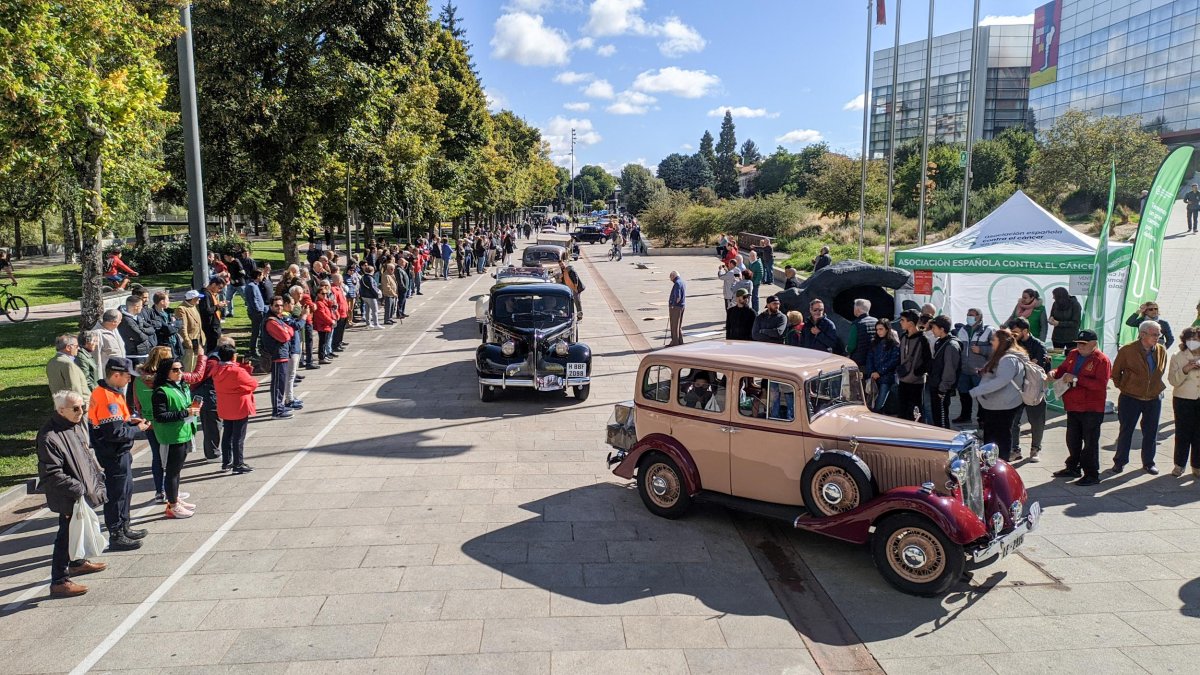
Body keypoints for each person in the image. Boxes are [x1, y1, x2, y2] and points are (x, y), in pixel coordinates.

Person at [38, 390, 108, 598]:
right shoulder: (49, 437)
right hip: (68, 496)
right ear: (61, 410)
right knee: (65, 535)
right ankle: (59, 581)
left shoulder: (74, 426)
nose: (81, 412)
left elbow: (85, 456)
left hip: (80, 493)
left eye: (82, 407)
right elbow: (51, 474)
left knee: (76, 532)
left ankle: (77, 563)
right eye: (75, 408)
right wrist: (79, 489)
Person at [87, 357, 148, 550]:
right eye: (127, 376)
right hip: (113, 453)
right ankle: (116, 533)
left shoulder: (113, 392)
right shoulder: (107, 397)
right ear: (116, 375)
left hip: (119, 452)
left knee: (126, 489)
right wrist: (139, 429)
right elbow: (114, 433)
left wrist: (132, 421)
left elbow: (119, 422)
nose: (130, 380)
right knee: (117, 493)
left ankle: (125, 525)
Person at [1049, 330, 1111, 485]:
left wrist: (1077, 379)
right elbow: (1062, 369)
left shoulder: (1101, 360)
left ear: (1094, 344)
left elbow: (1100, 385)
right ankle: (1073, 466)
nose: (1080, 346)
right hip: (1073, 404)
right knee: (1073, 439)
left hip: (1091, 407)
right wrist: (1054, 372)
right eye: (1078, 343)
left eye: (1083, 344)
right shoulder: (1073, 354)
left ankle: (1092, 474)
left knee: (1090, 442)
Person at [1111, 320, 1168, 474]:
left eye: (1158, 334)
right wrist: (1125, 387)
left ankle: (1149, 462)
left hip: (1153, 398)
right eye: (1154, 334)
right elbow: (1115, 374)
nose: (1158, 337)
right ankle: (1120, 461)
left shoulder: (1161, 350)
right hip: (1130, 397)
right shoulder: (1128, 350)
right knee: (1126, 430)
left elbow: (1160, 371)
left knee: (1151, 432)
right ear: (1143, 334)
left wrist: (1155, 388)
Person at [150, 358, 201, 519]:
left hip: (184, 431)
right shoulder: (160, 391)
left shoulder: (182, 386)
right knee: (172, 472)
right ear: (166, 373)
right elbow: (160, 416)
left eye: (180, 369)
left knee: (177, 470)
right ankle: (172, 505)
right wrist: (186, 413)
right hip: (172, 436)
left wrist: (192, 409)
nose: (179, 372)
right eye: (175, 370)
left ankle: (175, 498)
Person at [969, 328, 1027, 461]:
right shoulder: (1003, 357)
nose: (991, 342)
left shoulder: (1008, 359)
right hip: (997, 404)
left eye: (993, 339)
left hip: (1004, 405)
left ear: (1001, 342)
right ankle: (992, 462)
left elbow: (1001, 380)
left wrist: (977, 391)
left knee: (1000, 436)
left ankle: (1000, 463)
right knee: (993, 434)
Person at [1006, 317, 1051, 462]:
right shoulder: (1012, 345)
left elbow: (1039, 368)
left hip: (1034, 389)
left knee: (1037, 421)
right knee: (1013, 421)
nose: (1013, 335)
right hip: (1016, 389)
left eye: (1016, 332)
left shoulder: (1038, 346)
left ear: (1025, 331)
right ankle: (1015, 449)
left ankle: (1035, 449)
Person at [213, 343, 256, 474]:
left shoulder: (216, 370)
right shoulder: (237, 371)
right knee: (239, 437)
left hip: (225, 405)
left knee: (227, 435)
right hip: (239, 405)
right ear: (232, 357)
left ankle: (226, 462)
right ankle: (238, 463)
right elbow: (253, 383)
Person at [1169, 326, 1200, 477]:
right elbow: (1173, 381)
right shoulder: (1178, 356)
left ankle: (1197, 466)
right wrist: (1185, 370)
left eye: (1196, 339)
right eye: (1190, 340)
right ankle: (1179, 465)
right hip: (1183, 399)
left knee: (1198, 434)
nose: (1193, 342)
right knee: (1183, 433)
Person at [953, 308, 993, 424]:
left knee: (981, 396)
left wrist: (982, 349)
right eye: (968, 315)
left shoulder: (988, 330)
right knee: (964, 394)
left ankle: (982, 419)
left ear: (979, 317)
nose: (969, 317)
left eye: (972, 315)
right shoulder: (962, 330)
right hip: (964, 369)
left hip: (979, 371)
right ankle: (965, 416)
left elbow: (996, 348)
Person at [262, 296, 296, 419]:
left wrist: (287, 330)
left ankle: (280, 406)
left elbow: (291, 332)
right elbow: (285, 336)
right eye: (276, 305)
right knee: (277, 384)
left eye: (281, 305)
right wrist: (286, 331)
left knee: (281, 383)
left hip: (282, 354)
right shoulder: (271, 321)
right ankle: (277, 410)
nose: (280, 307)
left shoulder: (278, 319)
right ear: (271, 306)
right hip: (277, 356)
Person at [925, 316, 962, 429]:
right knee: (936, 416)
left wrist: (943, 388)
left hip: (941, 388)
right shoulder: (939, 342)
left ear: (942, 329)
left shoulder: (951, 345)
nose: (932, 330)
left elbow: (949, 370)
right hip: (935, 383)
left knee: (941, 419)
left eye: (934, 328)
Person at [897, 310, 931, 422]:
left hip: (916, 381)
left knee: (915, 409)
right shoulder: (903, 337)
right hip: (903, 378)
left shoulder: (923, 339)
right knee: (902, 408)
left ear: (911, 323)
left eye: (902, 320)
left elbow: (928, 360)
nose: (900, 322)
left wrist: (918, 372)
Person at [866, 320, 901, 414]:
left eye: (881, 329)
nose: (879, 332)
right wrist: (872, 372)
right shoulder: (874, 342)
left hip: (886, 377)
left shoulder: (894, 344)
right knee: (871, 402)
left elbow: (893, 361)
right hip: (874, 377)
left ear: (887, 329)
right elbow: (870, 358)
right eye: (877, 329)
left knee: (879, 404)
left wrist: (879, 372)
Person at [47, 335, 90, 406]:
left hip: (60, 405)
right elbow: (74, 389)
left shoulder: (51, 362)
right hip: (76, 408)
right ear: (68, 347)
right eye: (76, 346)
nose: (78, 348)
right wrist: (81, 408)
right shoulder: (68, 364)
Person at [117, 295, 155, 365]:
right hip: (134, 357)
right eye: (141, 305)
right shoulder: (126, 320)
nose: (142, 307)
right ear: (136, 307)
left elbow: (152, 329)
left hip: (144, 354)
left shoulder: (137, 317)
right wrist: (146, 334)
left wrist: (142, 330)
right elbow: (141, 337)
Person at [175, 290, 204, 371]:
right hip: (190, 342)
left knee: (196, 364)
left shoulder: (193, 306)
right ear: (193, 298)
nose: (199, 300)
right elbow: (182, 328)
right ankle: (187, 382)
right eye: (198, 298)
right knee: (189, 365)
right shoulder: (181, 309)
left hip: (197, 340)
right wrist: (187, 341)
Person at [847, 299, 878, 370]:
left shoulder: (856, 324)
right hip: (874, 358)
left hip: (859, 360)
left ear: (857, 310)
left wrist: (847, 350)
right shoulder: (876, 321)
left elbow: (851, 345)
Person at [244, 268, 268, 359]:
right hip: (256, 313)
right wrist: (258, 310)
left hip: (258, 311)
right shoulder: (251, 286)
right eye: (261, 275)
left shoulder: (254, 285)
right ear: (258, 276)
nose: (262, 277)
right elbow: (253, 300)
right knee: (256, 332)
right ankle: (253, 350)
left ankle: (255, 349)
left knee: (258, 331)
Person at [199, 276, 227, 352]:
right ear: (213, 284)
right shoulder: (205, 294)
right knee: (212, 347)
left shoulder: (211, 293)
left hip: (215, 324)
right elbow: (206, 311)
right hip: (210, 326)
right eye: (219, 287)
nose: (219, 290)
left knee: (216, 346)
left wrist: (220, 306)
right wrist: (218, 306)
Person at [313, 281, 337, 364]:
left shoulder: (324, 302)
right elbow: (323, 315)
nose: (325, 295)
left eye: (326, 293)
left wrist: (330, 302)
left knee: (325, 341)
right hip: (322, 325)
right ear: (318, 294)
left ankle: (324, 356)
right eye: (322, 293)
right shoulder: (319, 303)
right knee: (322, 342)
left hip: (325, 325)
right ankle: (322, 357)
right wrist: (331, 321)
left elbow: (329, 306)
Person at [358, 264, 381, 329]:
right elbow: (372, 287)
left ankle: (368, 323)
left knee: (367, 311)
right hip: (370, 296)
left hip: (364, 296)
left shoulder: (363, 277)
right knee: (375, 310)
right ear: (372, 271)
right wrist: (377, 294)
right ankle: (376, 324)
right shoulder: (370, 278)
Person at [668, 271, 685, 347]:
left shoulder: (677, 283)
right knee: (678, 325)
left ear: (673, 276)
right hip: (682, 306)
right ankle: (680, 341)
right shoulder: (682, 282)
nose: (670, 279)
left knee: (674, 325)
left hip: (676, 307)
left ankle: (675, 342)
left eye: (670, 277)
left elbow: (678, 297)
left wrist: (673, 305)